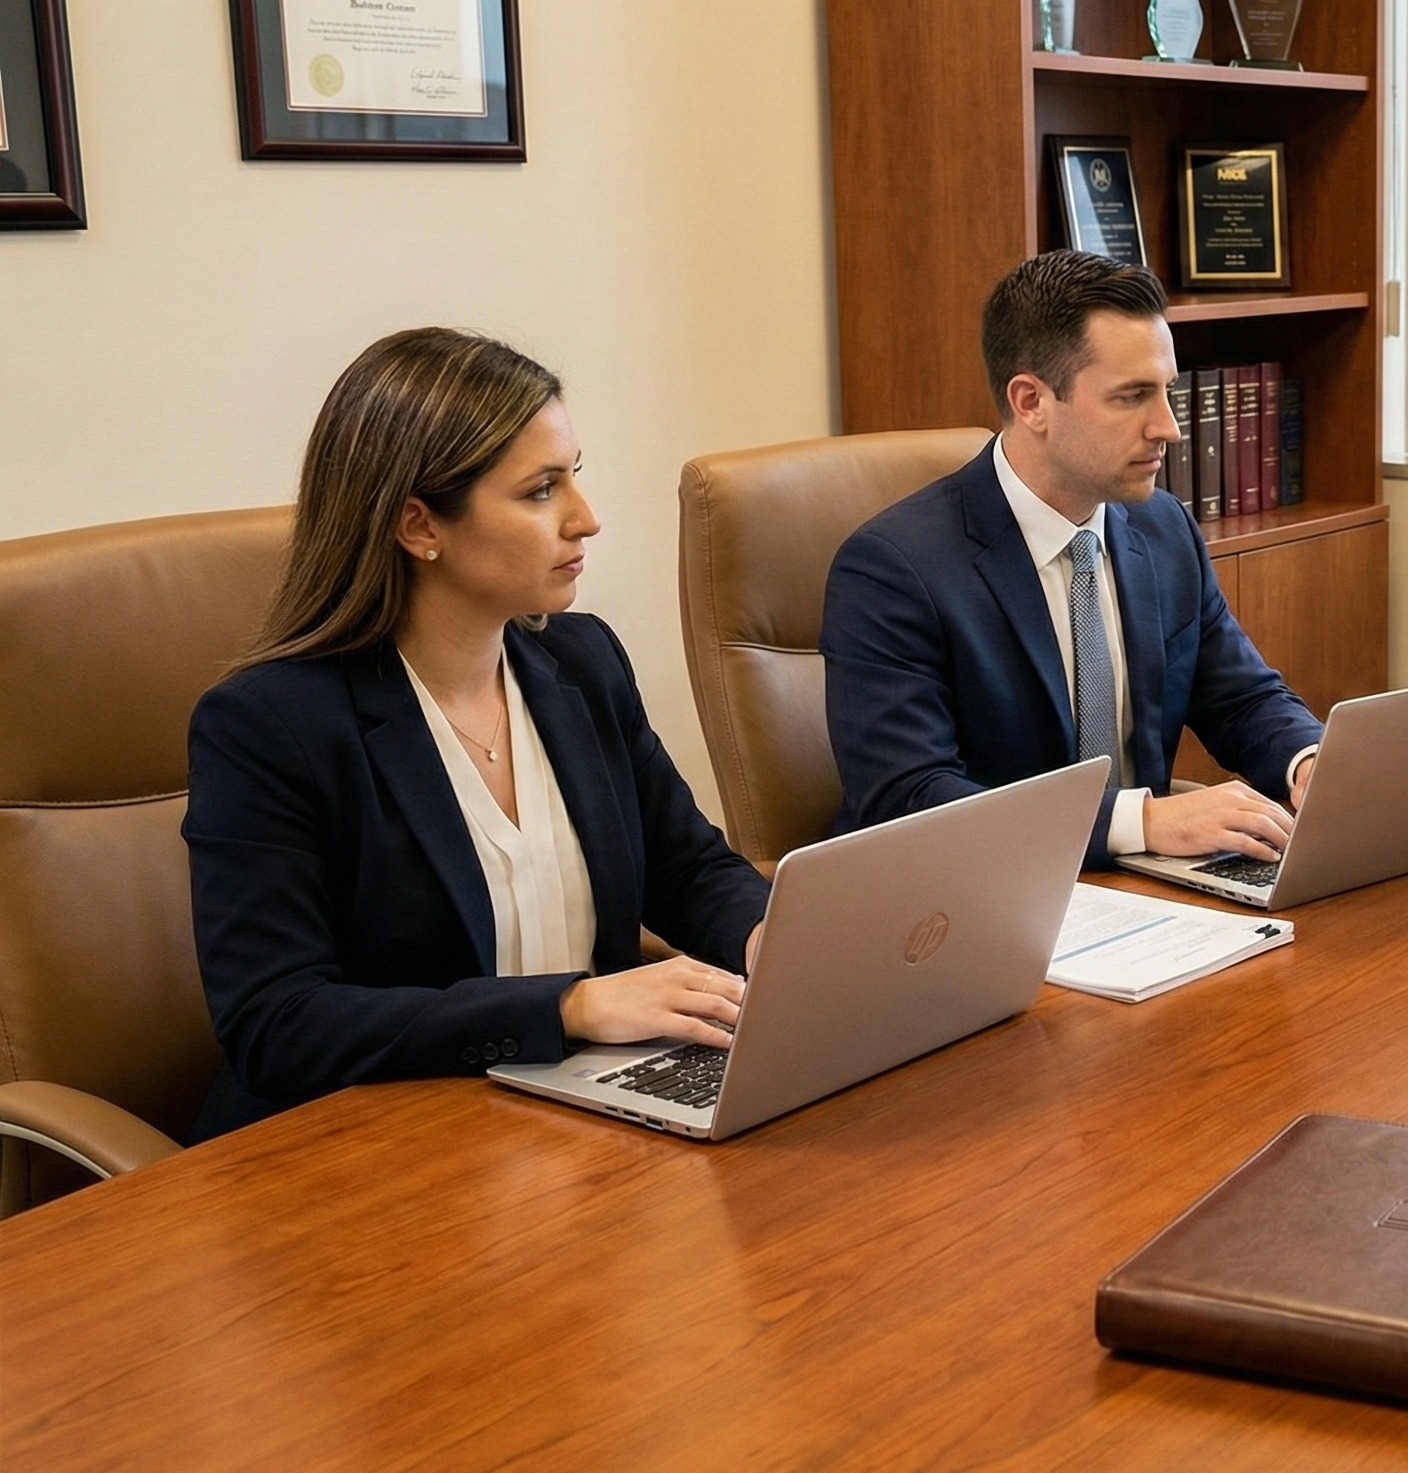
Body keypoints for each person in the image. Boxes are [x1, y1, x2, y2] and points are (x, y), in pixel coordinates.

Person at [184, 329, 772, 1139]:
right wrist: (568, 1006)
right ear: (419, 526)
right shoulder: (268, 725)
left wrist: (770, 934)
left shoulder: (583, 662)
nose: (586, 520)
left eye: (575, 478)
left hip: (576, 1122)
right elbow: (277, 1020)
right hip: (366, 1150)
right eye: (540, 491)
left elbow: (688, 867)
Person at [822, 251, 1323, 869]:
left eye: (1165, 391)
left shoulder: (1164, 528)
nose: (1168, 427)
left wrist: (1310, 762)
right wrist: (1137, 821)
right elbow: (910, 798)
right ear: (1032, 401)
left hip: (1150, 896)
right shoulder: (893, 571)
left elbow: (1241, 699)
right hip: (975, 900)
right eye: (1132, 396)